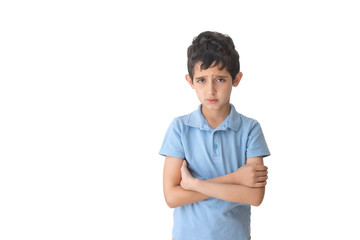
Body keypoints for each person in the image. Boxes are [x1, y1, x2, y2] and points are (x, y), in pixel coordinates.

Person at [159, 31, 270, 240]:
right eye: (201, 80)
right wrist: (236, 179)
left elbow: (254, 196)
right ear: (190, 81)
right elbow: (172, 197)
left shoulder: (250, 129)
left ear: (236, 79)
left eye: (220, 79)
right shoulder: (179, 128)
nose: (210, 90)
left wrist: (194, 184)